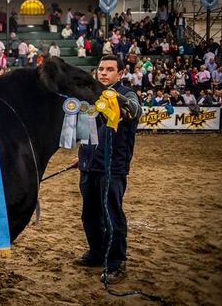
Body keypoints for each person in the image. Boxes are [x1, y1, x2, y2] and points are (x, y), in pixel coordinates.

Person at [75, 55, 142, 284]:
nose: (103, 73)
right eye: (101, 69)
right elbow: (87, 129)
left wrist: (114, 97)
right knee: (90, 215)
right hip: (88, 165)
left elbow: (134, 110)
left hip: (112, 167)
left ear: (120, 74)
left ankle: (116, 262)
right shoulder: (90, 96)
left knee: (112, 215)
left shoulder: (127, 94)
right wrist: (83, 156)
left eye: (110, 69)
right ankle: (96, 253)